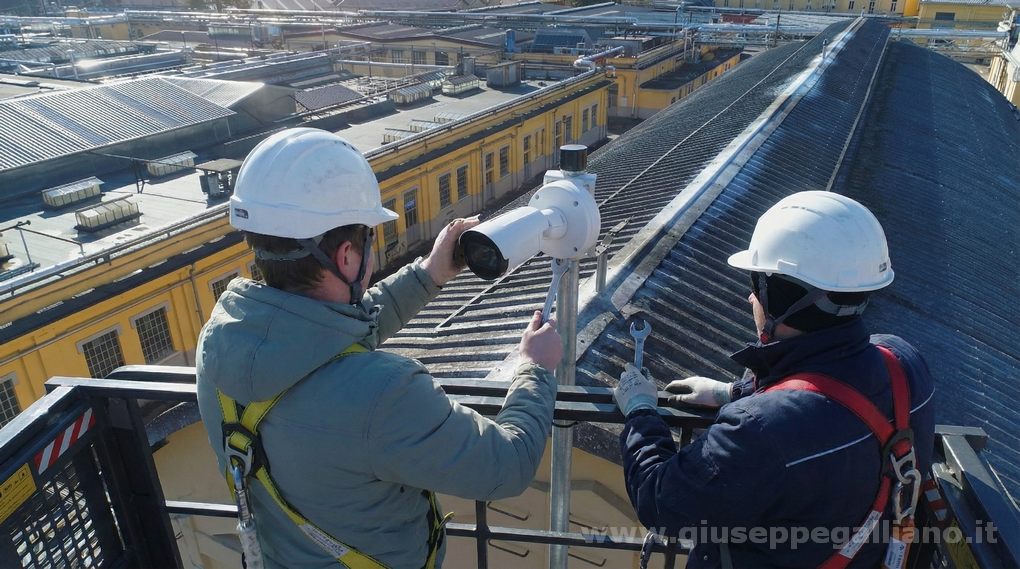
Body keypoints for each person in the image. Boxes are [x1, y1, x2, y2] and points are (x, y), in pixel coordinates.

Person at [195, 128, 563, 569]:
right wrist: (535, 371)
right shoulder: (384, 394)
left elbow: (326, 338)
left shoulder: (220, 343)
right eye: (372, 239)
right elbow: (508, 464)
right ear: (347, 256)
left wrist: (430, 274)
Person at [613, 191, 936, 568]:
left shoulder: (757, 432)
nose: (750, 296)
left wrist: (640, 414)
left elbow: (659, 500)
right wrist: (733, 392)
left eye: (757, 284)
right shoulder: (904, 365)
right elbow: (834, 394)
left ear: (781, 301)